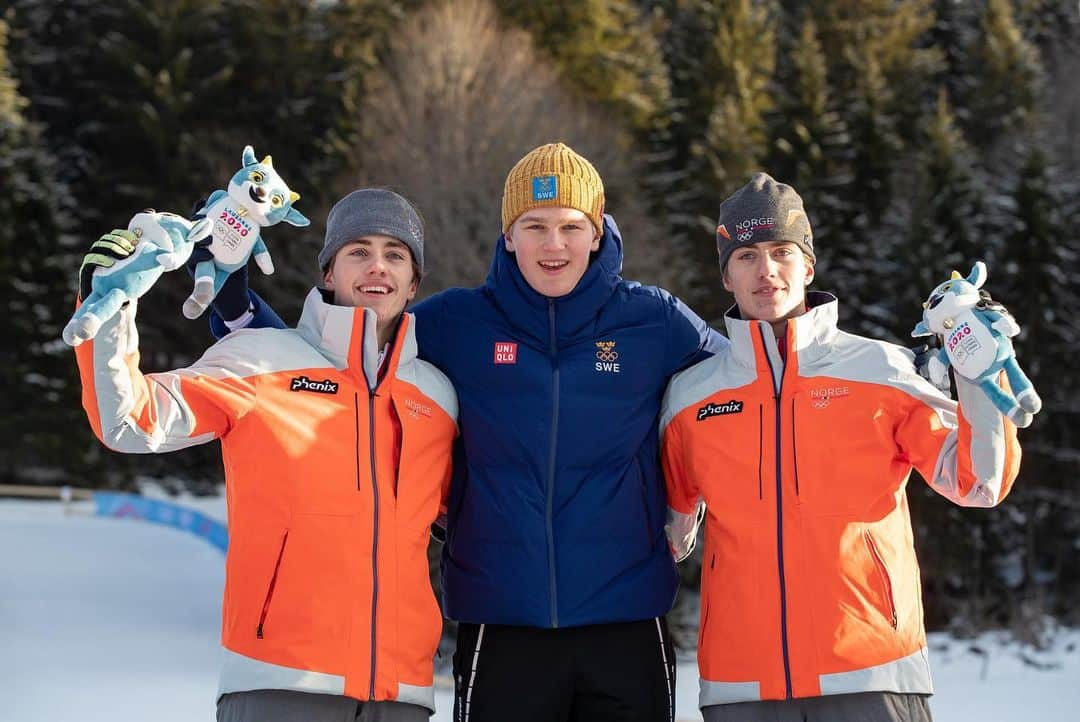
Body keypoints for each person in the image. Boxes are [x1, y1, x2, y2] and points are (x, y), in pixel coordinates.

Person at [200, 143, 730, 721]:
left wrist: (688, 492)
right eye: (534, 226)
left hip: (627, 620)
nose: (553, 245)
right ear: (508, 235)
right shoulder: (453, 323)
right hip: (499, 624)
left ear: (598, 233)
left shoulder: (655, 319)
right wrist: (230, 287)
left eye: (570, 227)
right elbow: (324, 366)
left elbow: (747, 391)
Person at [73, 189, 458, 722]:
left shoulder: (437, 397)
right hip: (279, 685)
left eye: (395, 254)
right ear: (328, 272)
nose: (377, 266)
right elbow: (131, 421)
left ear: (414, 282)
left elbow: (470, 514)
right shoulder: (259, 361)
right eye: (358, 251)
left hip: (403, 697)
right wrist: (111, 305)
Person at [659, 173, 1023, 722]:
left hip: (874, 669)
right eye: (747, 256)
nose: (767, 271)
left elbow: (978, 484)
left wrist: (976, 382)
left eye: (782, 252)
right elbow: (667, 533)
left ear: (807, 264)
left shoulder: (883, 369)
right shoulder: (691, 398)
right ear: (726, 275)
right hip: (740, 686)